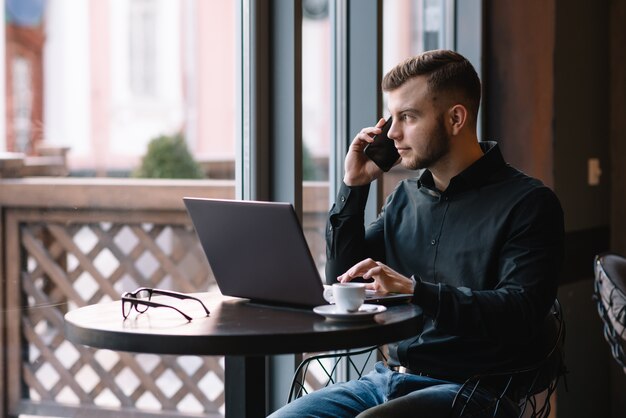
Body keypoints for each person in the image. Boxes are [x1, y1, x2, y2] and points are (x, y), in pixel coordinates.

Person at [268, 49, 564, 418]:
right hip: (388, 381)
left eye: (407, 117)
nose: (391, 133)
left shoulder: (529, 203)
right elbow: (344, 280)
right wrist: (354, 187)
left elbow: (521, 311)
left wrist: (417, 292)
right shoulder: (403, 200)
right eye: (391, 118)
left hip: (474, 390)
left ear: (456, 118)